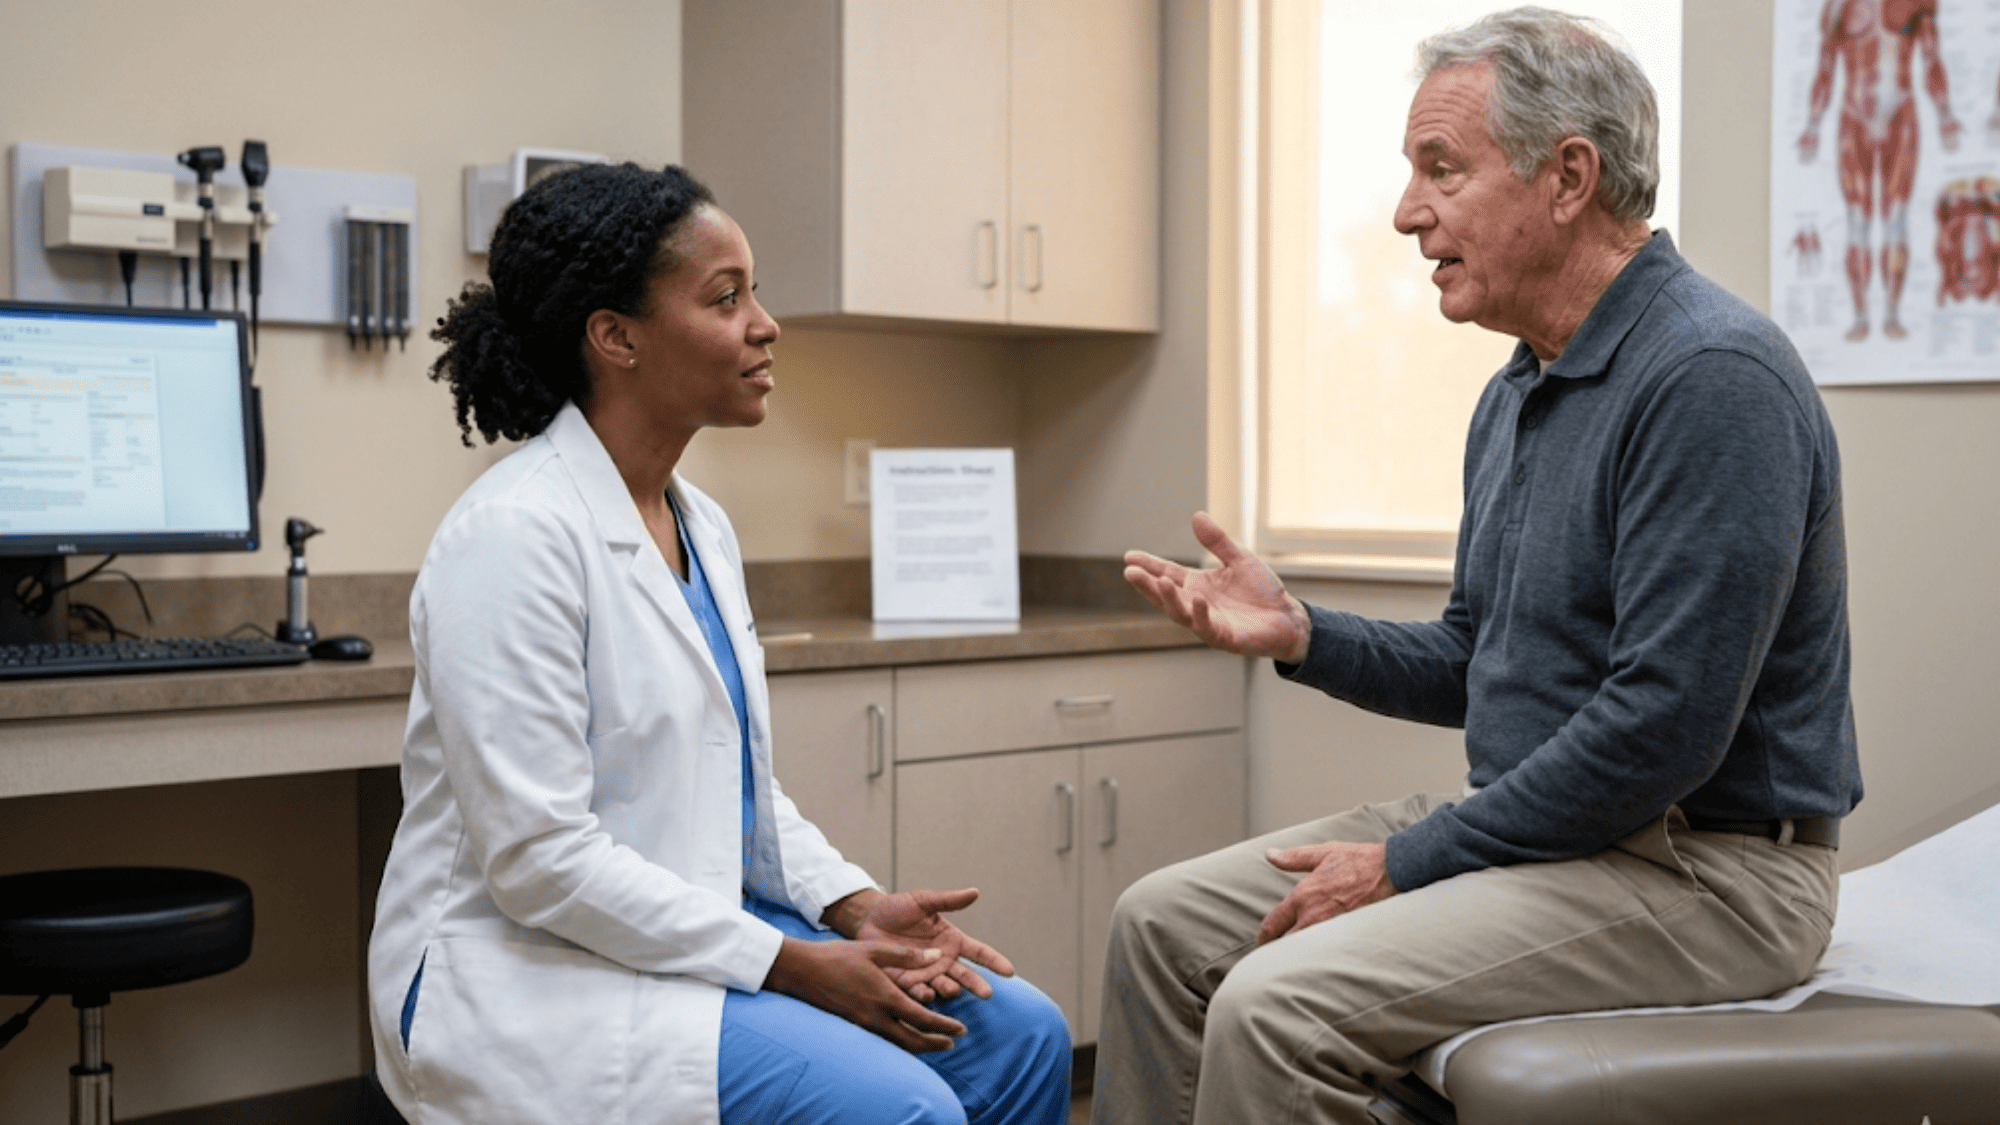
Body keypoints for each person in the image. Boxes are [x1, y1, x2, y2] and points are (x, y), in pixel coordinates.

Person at [1096, 10, 1859, 1125]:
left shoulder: (1711, 377)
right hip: (1549, 828)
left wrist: (1405, 859)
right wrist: (1302, 633)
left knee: (1274, 1007)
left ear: (1566, 177)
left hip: (1710, 873)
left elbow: (1660, 726)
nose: (1407, 213)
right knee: (1156, 923)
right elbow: (1475, 656)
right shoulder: (1519, 391)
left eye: (1438, 170)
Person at [367, 162, 1070, 1125]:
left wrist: (852, 907)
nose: (765, 322)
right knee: (903, 1107)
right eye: (725, 295)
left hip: (681, 927)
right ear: (616, 337)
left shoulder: (702, 525)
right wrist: (796, 965)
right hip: (528, 966)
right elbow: (539, 862)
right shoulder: (515, 536)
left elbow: (738, 790)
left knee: (1025, 1034)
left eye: (756, 290)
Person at [1797, 0, 1962, 341]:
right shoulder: (1839, 8)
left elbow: (1931, 58)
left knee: (1896, 220)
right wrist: (1812, 124)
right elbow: (1826, 67)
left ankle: (1890, 314)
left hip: (1900, 114)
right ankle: (1860, 316)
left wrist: (1945, 113)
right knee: (1857, 221)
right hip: (1854, 117)